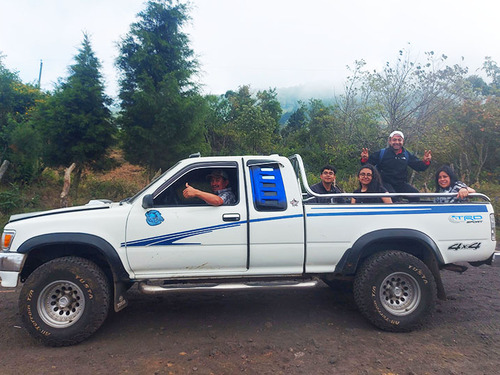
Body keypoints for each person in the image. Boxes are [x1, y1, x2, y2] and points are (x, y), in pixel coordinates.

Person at [360, 130, 432, 200]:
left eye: (399, 140)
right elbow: (368, 166)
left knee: (415, 195)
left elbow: (419, 166)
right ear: (390, 141)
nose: (397, 142)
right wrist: (365, 159)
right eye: (394, 140)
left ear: (403, 141)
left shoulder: (406, 154)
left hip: (400, 184)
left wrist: (426, 161)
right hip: (384, 183)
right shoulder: (382, 153)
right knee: (393, 197)